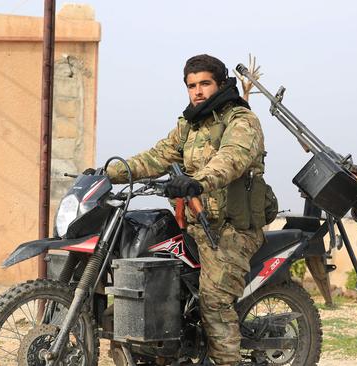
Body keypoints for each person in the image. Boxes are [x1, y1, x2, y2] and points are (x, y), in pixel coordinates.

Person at [97, 54, 268, 366]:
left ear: (220, 84)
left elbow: (231, 158)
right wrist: (106, 173)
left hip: (231, 230)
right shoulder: (190, 124)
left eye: (205, 83)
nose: (198, 91)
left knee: (214, 302)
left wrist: (196, 182)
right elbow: (157, 156)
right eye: (192, 85)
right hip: (194, 226)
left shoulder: (241, 121)